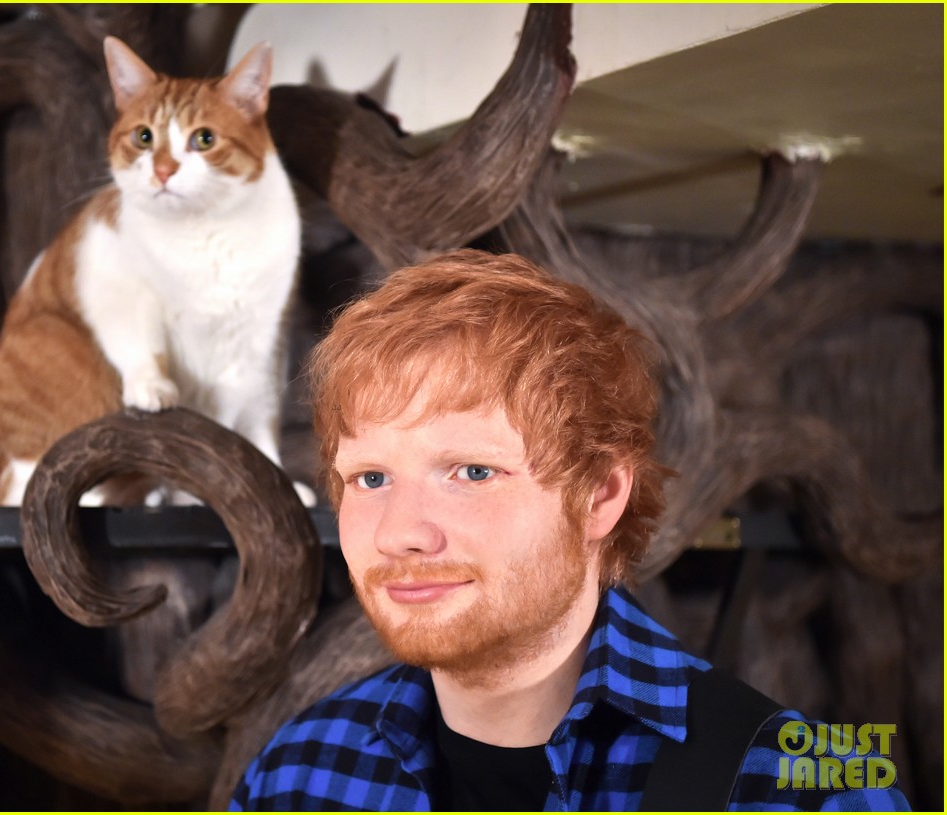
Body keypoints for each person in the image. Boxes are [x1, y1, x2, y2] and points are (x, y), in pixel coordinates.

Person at [230, 249, 909, 811]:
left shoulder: (803, 792)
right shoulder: (297, 773)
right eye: (370, 477)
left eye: (472, 471)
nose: (400, 533)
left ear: (600, 497)